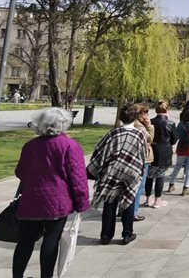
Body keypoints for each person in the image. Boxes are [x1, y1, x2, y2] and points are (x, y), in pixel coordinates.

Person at [13, 108, 89, 278]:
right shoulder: (70, 145)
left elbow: (20, 172)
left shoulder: (30, 145)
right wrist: (82, 203)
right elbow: (78, 178)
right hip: (57, 201)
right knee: (51, 240)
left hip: (31, 199)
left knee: (25, 240)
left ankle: (17, 275)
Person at [87, 103, 146, 245]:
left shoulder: (113, 133)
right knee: (129, 199)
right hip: (131, 171)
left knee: (110, 201)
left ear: (121, 118)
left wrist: (96, 169)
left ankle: (106, 235)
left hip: (112, 171)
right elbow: (143, 154)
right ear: (135, 118)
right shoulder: (139, 134)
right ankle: (127, 234)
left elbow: (100, 152)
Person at [145, 100, 177, 208]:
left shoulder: (150, 121)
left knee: (149, 176)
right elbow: (174, 140)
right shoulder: (170, 123)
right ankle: (157, 200)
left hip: (151, 151)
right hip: (164, 152)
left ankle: (148, 198)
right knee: (160, 175)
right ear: (167, 110)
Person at [167, 109, 189, 195]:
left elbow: (176, 135)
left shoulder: (180, 125)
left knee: (177, 166)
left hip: (181, 147)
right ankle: (185, 187)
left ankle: (171, 185)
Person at [132, 103, 154, 222]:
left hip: (134, 157)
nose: (147, 115)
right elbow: (149, 138)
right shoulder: (140, 126)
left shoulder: (132, 124)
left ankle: (125, 209)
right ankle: (133, 212)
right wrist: (149, 125)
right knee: (139, 186)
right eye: (145, 112)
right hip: (142, 157)